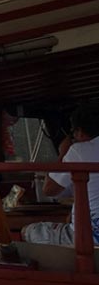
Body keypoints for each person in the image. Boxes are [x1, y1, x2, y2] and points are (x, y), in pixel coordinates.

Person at [24, 101, 99, 246]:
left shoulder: (78, 151)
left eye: (74, 133)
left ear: (80, 132)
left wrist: (63, 152)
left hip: (89, 236)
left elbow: (49, 189)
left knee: (28, 231)